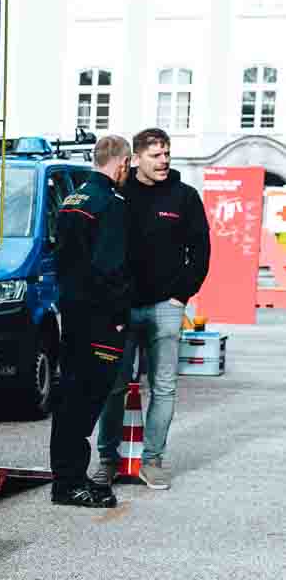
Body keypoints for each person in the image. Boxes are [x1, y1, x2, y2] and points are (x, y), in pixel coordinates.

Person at [94, 125, 211, 490]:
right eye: (156, 155)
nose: (164, 161)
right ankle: (107, 460)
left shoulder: (185, 197)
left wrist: (181, 296)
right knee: (113, 386)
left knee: (164, 387)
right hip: (124, 308)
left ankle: (153, 460)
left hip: (166, 307)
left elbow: (201, 251)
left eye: (167, 154)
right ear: (136, 159)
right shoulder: (119, 194)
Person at [48, 132, 132, 507]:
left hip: (73, 312)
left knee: (69, 398)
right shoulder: (110, 204)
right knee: (85, 402)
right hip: (99, 318)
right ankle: (69, 484)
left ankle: (67, 478)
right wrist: (119, 317)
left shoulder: (73, 199)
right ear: (123, 163)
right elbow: (110, 268)